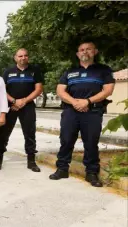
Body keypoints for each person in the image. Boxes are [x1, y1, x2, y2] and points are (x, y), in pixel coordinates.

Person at [49, 41, 115, 187]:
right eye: (82, 50)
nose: (85, 52)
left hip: (93, 111)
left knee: (91, 142)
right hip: (70, 112)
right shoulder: (69, 72)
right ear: (78, 54)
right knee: (66, 140)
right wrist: (75, 102)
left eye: (88, 49)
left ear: (95, 51)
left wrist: (87, 101)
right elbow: (60, 90)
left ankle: (91, 173)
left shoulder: (103, 70)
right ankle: (62, 169)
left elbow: (108, 90)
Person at [0, 48, 43, 172]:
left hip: (28, 106)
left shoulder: (35, 71)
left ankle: (31, 161)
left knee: (30, 134)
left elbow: (38, 89)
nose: (23, 58)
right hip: (11, 106)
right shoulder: (8, 72)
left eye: (25, 56)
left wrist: (24, 101)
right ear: (15, 57)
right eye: (20, 56)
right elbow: (2, 90)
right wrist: (15, 101)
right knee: (4, 133)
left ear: (28, 57)